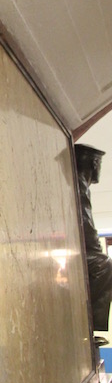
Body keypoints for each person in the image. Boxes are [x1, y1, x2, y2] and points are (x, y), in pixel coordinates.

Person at [75, 144, 112, 343]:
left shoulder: (81, 184)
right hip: (78, 251)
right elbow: (85, 225)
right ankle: (89, 326)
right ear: (93, 164)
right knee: (103, 264)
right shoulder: (79, 183)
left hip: (81, 249)